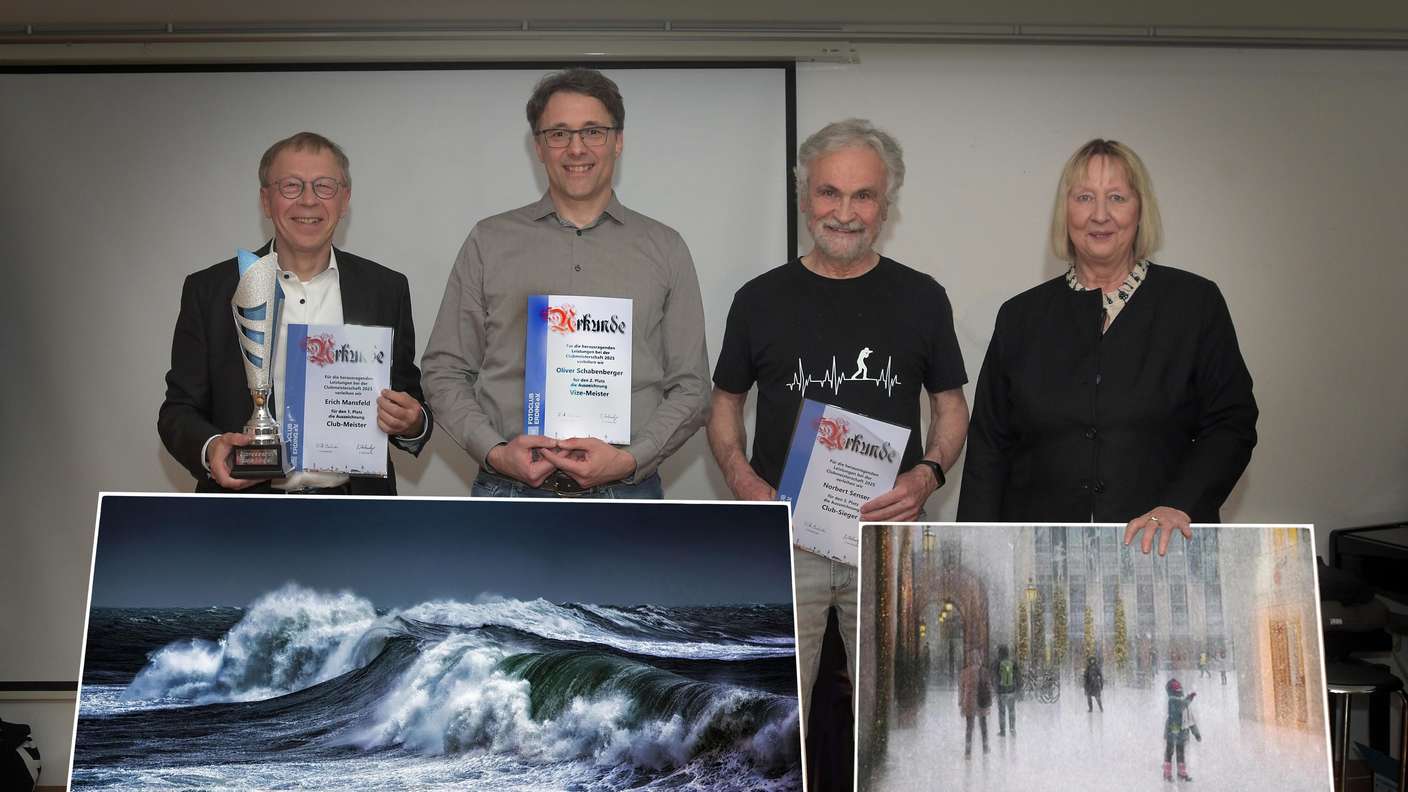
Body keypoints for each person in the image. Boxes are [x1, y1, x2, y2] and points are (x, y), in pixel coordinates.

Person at [707, 118, 969, 744]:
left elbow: (952, 409)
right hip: (787, 539)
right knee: (775, 719)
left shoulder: (922, 298)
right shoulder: (759, 300)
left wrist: (928, 473)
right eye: (829, 193)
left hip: (885, 539)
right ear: (806, 198)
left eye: (864, 196)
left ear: (887, 205)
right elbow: (724, 405)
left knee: (893, 715)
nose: (844, 212)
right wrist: (743, 480)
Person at [957, 138, 1258, 555]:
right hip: (1039, 560)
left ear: (1140, 210)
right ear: (1066, 211)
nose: (1100, 214)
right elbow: (989, 447)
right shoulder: (1019, 317)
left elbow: (1231, 425)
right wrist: (972, 555)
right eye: (1085, 197)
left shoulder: (1195, 305)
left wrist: (1179, 505)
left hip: (1161, 551)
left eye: (1116, 197)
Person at [421, 68, 708, 498]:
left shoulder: (665, 247)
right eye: (558, 134)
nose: (576, 148)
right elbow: (444, 371)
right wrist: (496, 452)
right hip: (507, 491)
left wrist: (632, 458)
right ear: (538, 146)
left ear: (619, 139)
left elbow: (692, 387)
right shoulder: (489, 240)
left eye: (593, 131)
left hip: (626, 494)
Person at [159, 132, 430, 494]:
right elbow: (178, 411)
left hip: (355, 517)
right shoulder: (211, 290)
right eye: (291, 186)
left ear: (345, 198)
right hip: (242, 516)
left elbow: (409, 400)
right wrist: (212, 450)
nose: (308, 200)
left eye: (324, 186)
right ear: (266, 200)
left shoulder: (386, 289)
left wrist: (412, 422)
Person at [1163, 678, 1201, 781]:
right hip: (1172, 729)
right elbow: (1181, 706)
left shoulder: (1183, 703)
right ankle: (1167, 773)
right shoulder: (1172, 701)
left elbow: (1191, 720)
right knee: (1169, 751)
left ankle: (1181, 772)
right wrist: (1189, 699)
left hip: (1181, 732)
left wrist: (1196, 733)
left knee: (1180, 752)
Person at [960, 649, 993, 758]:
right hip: (981, 702)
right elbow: (989, 687)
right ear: (979, 658)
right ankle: (985, 747)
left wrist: (961, 703)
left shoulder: (965, 672)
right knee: (983, 726)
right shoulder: (984, 671)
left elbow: (961, 689)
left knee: (969, 728)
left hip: (969, 702)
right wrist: (989, 701)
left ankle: (968, 751)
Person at [994, 644, 1020, 737]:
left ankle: (1002, 731)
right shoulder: (1013, 662)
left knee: (1002, 712)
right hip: (1011, 690)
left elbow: (995, 677)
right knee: (1012, 711)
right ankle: (1012, 730)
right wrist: (1018, 688)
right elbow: (1018, 676)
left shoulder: (997, 662)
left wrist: (996, 690)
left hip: (1001, 691)